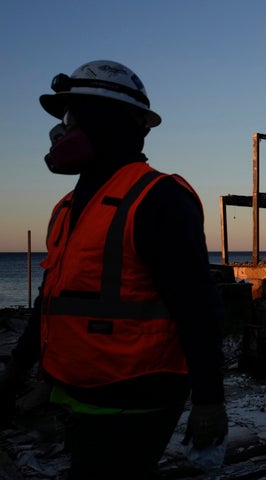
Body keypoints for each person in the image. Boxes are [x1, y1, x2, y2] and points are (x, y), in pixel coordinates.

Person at [0, 60, 228, 479]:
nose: (63, 130)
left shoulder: (159, 198)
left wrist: (209, 401)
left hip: (136, 394)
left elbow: (197, 307)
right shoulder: (67, 208)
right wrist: (25, 371)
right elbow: (52, 299)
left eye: (73, 116)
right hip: (75, 389)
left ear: (115, 123)